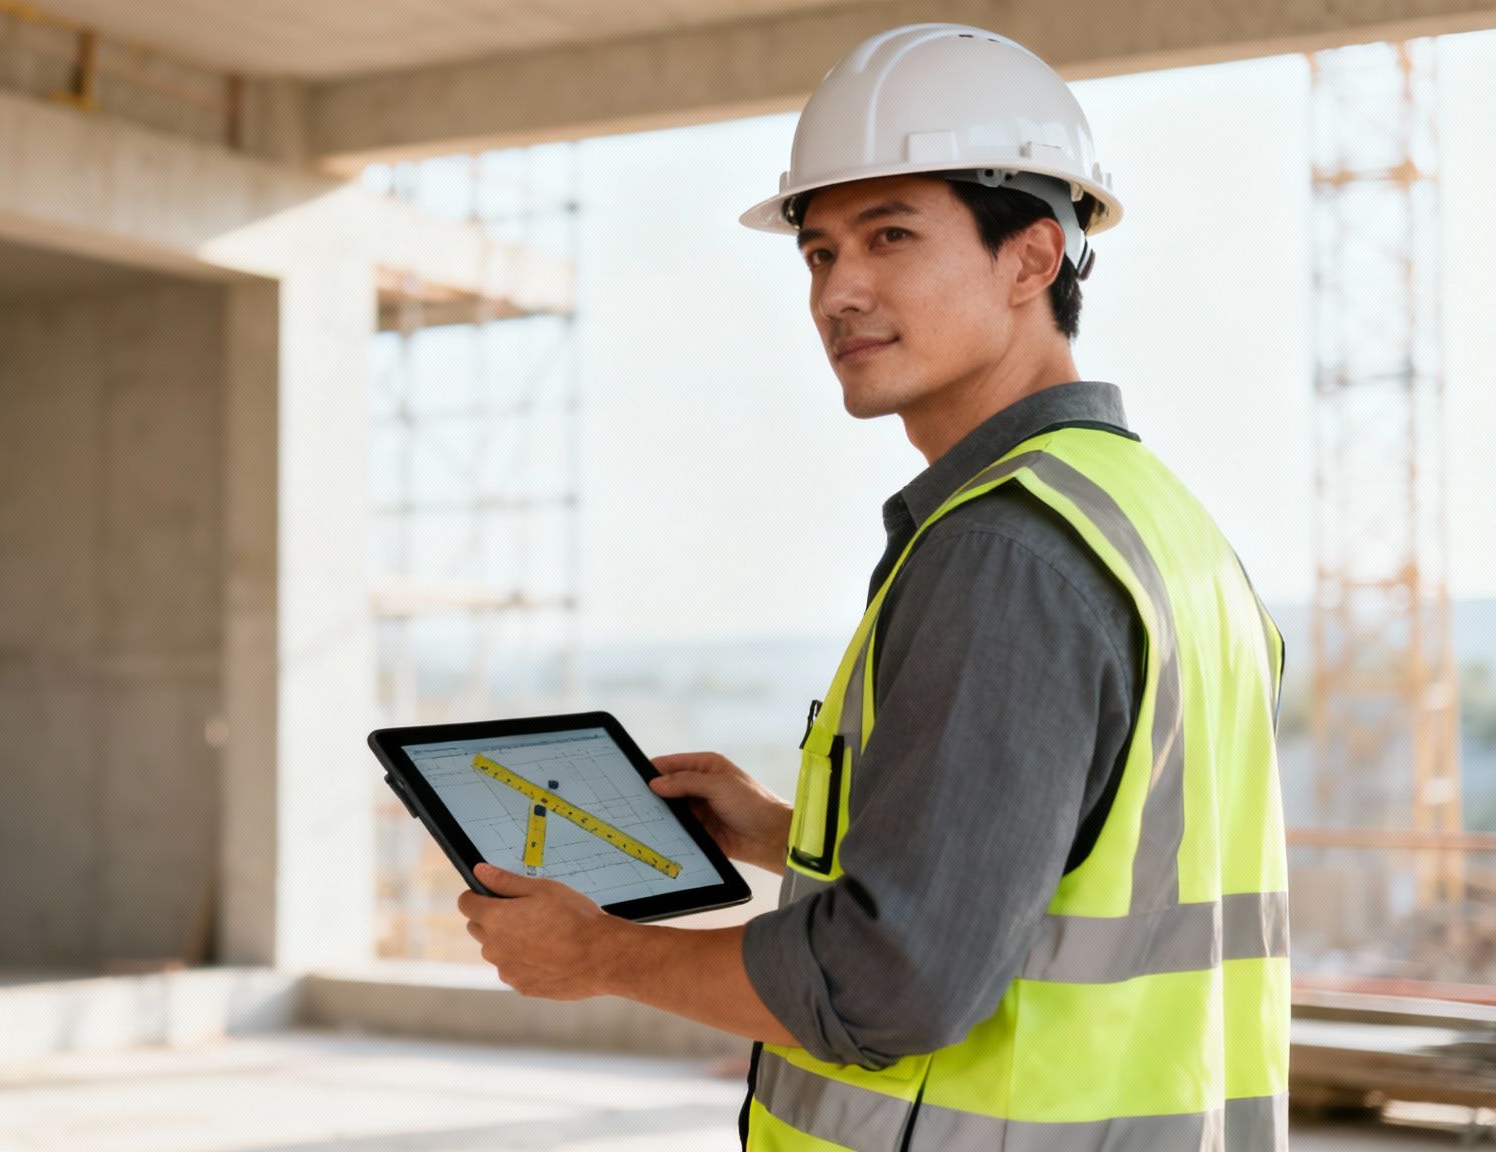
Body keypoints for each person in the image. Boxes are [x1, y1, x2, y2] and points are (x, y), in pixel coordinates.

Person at [457, 23, 1289, 1151]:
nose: (838, 291)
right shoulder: (1156, 522)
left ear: (1032, 258)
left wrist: (596, 953)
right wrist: (779, 837)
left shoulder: (1006, 552)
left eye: (889, 236)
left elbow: (887, 986)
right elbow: (1057, 870)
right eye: (816, 253)